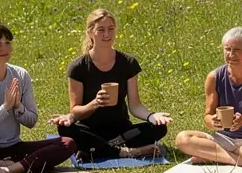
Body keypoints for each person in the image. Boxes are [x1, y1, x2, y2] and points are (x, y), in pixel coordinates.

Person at [54, 9, 171, 160]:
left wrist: (151, 116)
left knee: (159, 127)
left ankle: (97, 148)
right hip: (90, 130)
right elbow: (75, 111)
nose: (107, 35)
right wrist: (95, 103)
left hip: (122, 130)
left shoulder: (128, 62)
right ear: (90, 33)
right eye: (101, 30)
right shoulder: (78, 67)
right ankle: (124, 152)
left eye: (110, 29)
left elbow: (135, 105)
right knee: (65, 129)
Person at [0, 23, 76, 173]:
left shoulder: (20, 74)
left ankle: (7, 170)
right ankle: (6, 165)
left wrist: (18, 106)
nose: (4, 48)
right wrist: (5, 108)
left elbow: (32, 121)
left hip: (15, 148)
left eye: (7, 43)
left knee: (68, 143)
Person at [175, 27, 242, 168]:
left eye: (236, 50)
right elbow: (208, 117)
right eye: (227, 49)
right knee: (182, 139)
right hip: (225, 139)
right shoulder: (214, 77)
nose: (231, 54)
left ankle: (215, 157)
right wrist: (212, 122)